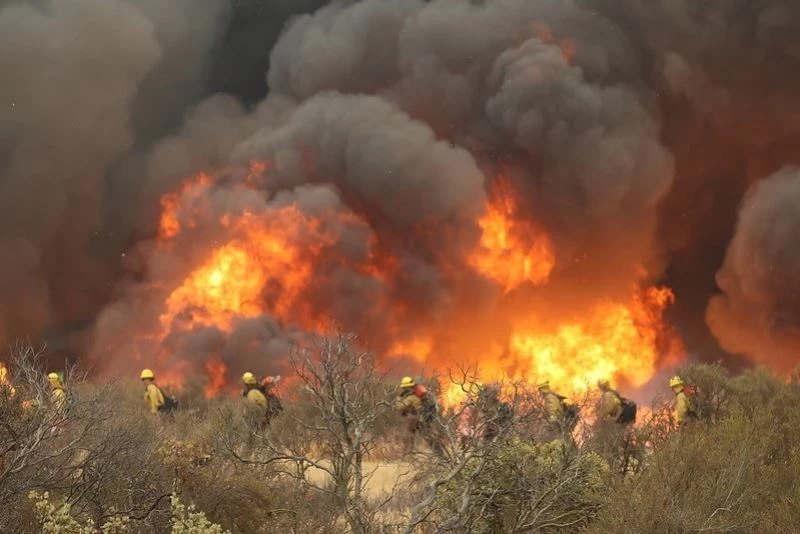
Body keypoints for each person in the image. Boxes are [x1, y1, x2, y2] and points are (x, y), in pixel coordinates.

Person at [394, 376, 442, 454]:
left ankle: (407, 451)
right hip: (423, 418)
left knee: (409, 434)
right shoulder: (418, 395)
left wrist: (398, 399)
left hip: (418, 419)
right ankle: (438, 451)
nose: (403, 390)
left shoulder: (411, 397)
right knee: (426, 436)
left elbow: (400, 407)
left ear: (407, 388)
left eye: (404, 388)